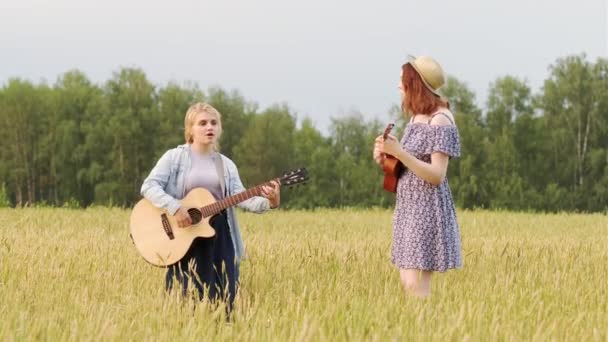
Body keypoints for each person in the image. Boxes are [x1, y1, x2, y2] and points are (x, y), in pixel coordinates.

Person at [140, 102, 280, 311]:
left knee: (224, 301)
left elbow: (240, 197)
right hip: (185, 236)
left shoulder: (225, 165)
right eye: (202, 123)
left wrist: (269, 202)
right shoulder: (174, 158)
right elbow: (149, 186)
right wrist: (175, 208)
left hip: (220, 237)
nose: (209, 127)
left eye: (214, 123)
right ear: (190, 129)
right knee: (185, 300)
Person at [373, 55, 462, 297]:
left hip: (427, 210)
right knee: (408, 282)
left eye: (402, 81)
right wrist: (386, 157)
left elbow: (437, 175)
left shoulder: (440, 120)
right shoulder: (416, 118)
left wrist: (399, 152)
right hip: (409, 208)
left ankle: (426, 329)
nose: (399, 86)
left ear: (414, 85)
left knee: (415, 284)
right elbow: (408, 164)